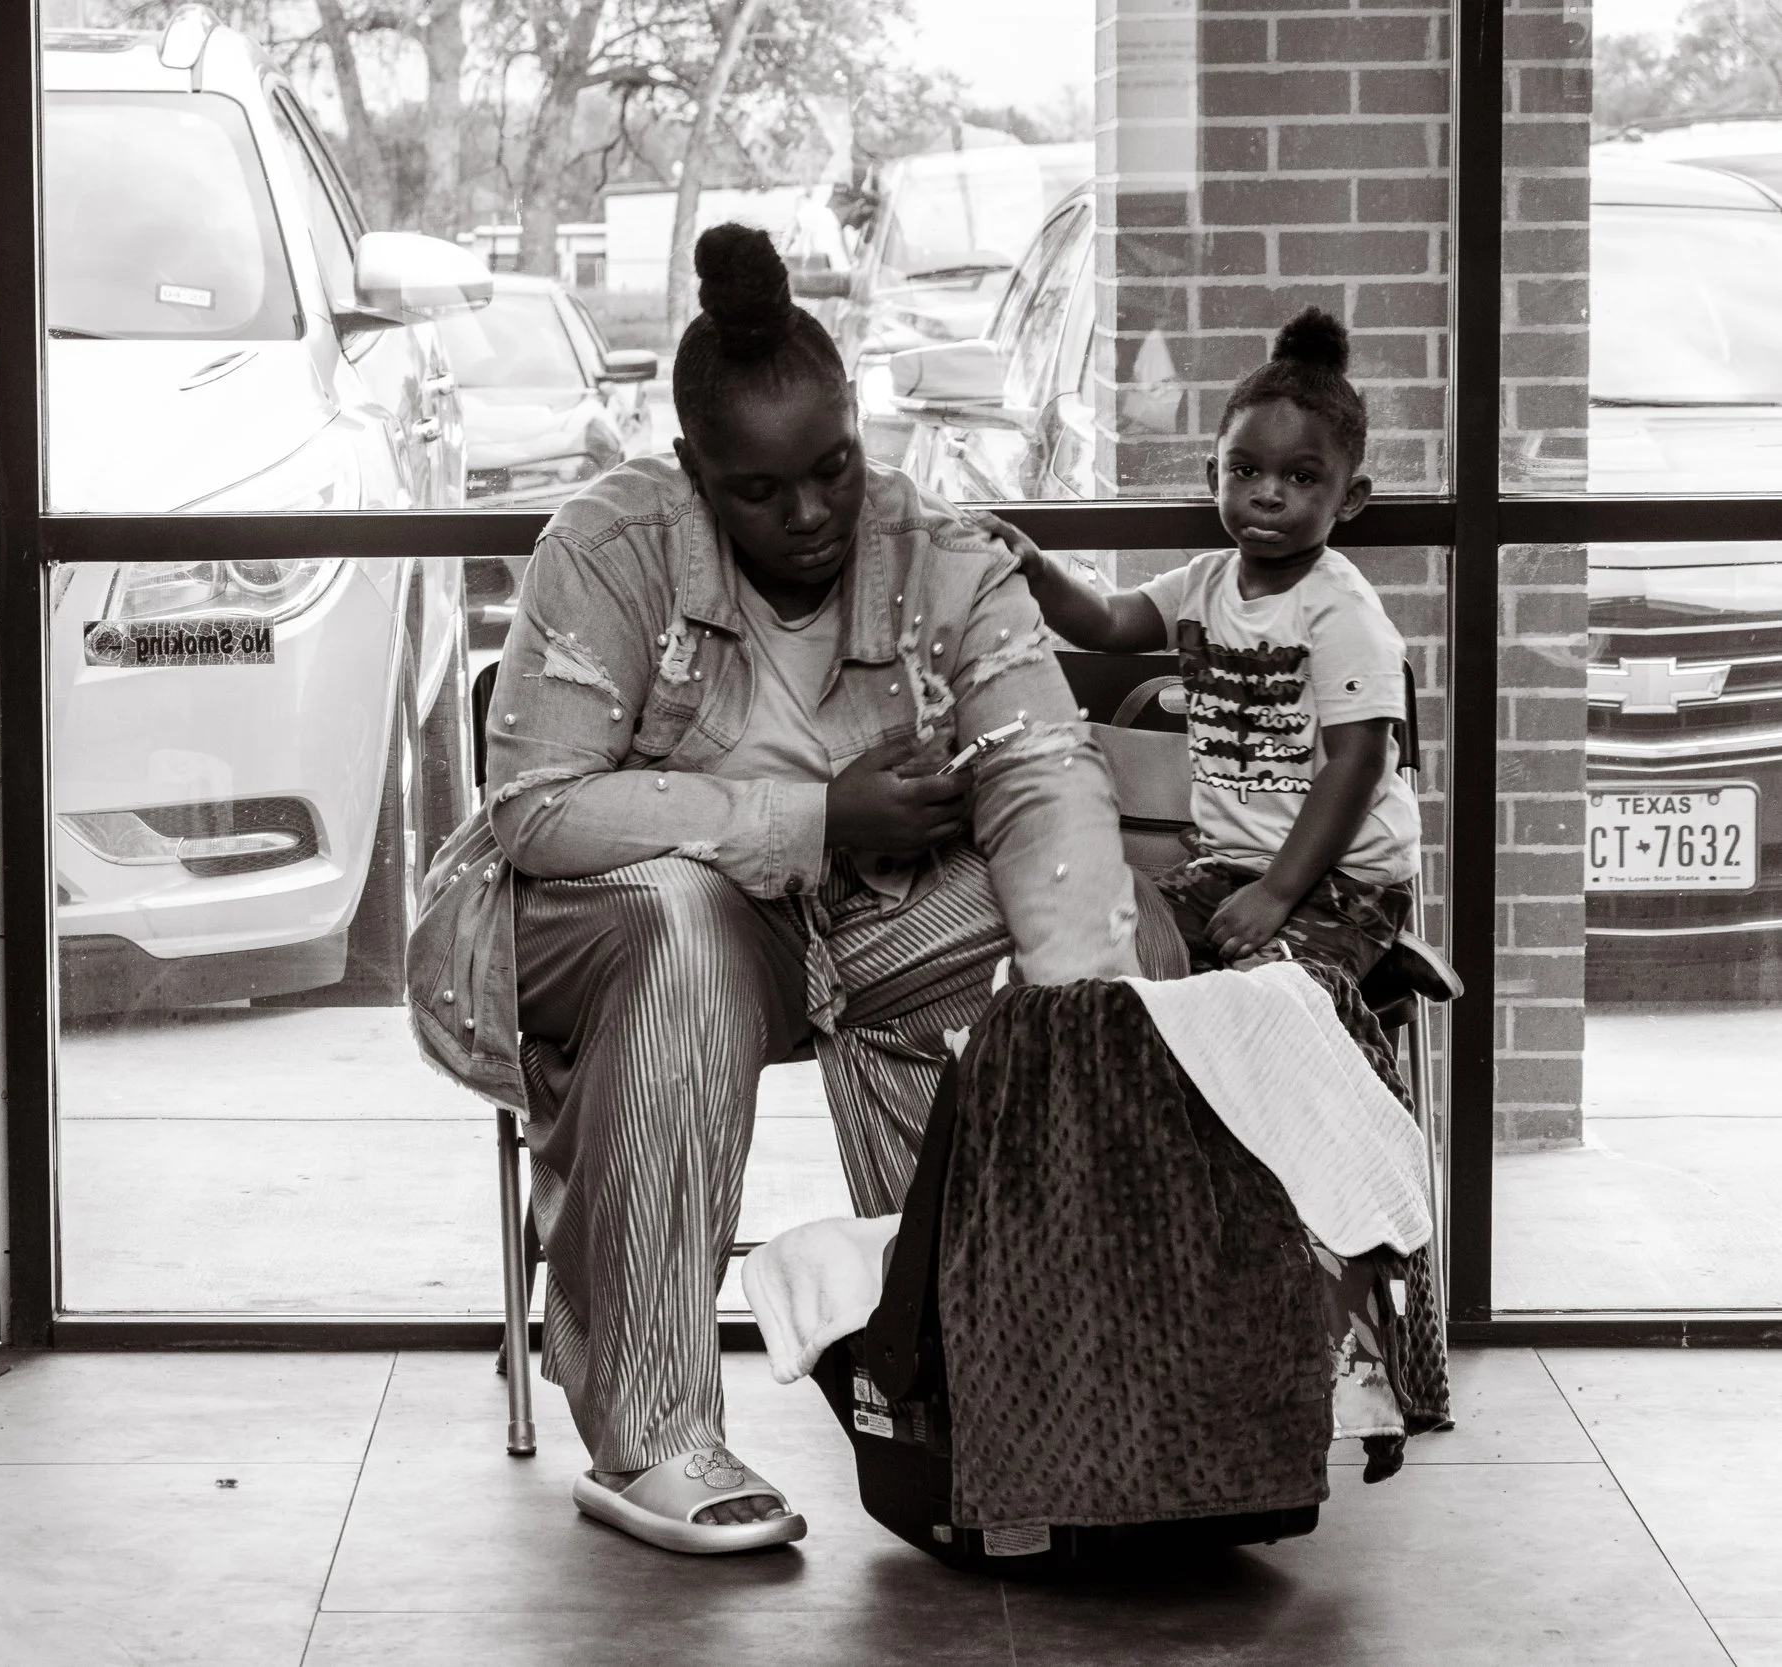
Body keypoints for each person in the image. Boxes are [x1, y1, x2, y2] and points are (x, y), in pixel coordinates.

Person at [406, 225, 1146, 1555]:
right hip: (619, 920)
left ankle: (988, 1373)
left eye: (833, 469)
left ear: (860, 429)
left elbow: (1044, 772)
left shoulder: (943, 552)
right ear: (696, 473)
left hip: (849, 924)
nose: (809, 514)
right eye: (760, 491)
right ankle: (655, 1435)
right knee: (680, 927)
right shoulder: (609, 546)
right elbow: (538, 811)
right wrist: (815, 810)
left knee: (1030, 937)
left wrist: (1090, 1023)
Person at [1010, 307, 1421, 983]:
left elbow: (1356, 767)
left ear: (1350, 498)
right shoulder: (1203, 584)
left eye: (1301, 477)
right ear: (1214, 477)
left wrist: (1277, 893)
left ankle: (1361, 1079)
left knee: (1264, 997)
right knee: (1100, 957)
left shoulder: (1340, 611)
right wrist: (1037, 572)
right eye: (1246, 470)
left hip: (1341, 882)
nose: (1267, 494)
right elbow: (1109, 624)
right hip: (1227, 869)